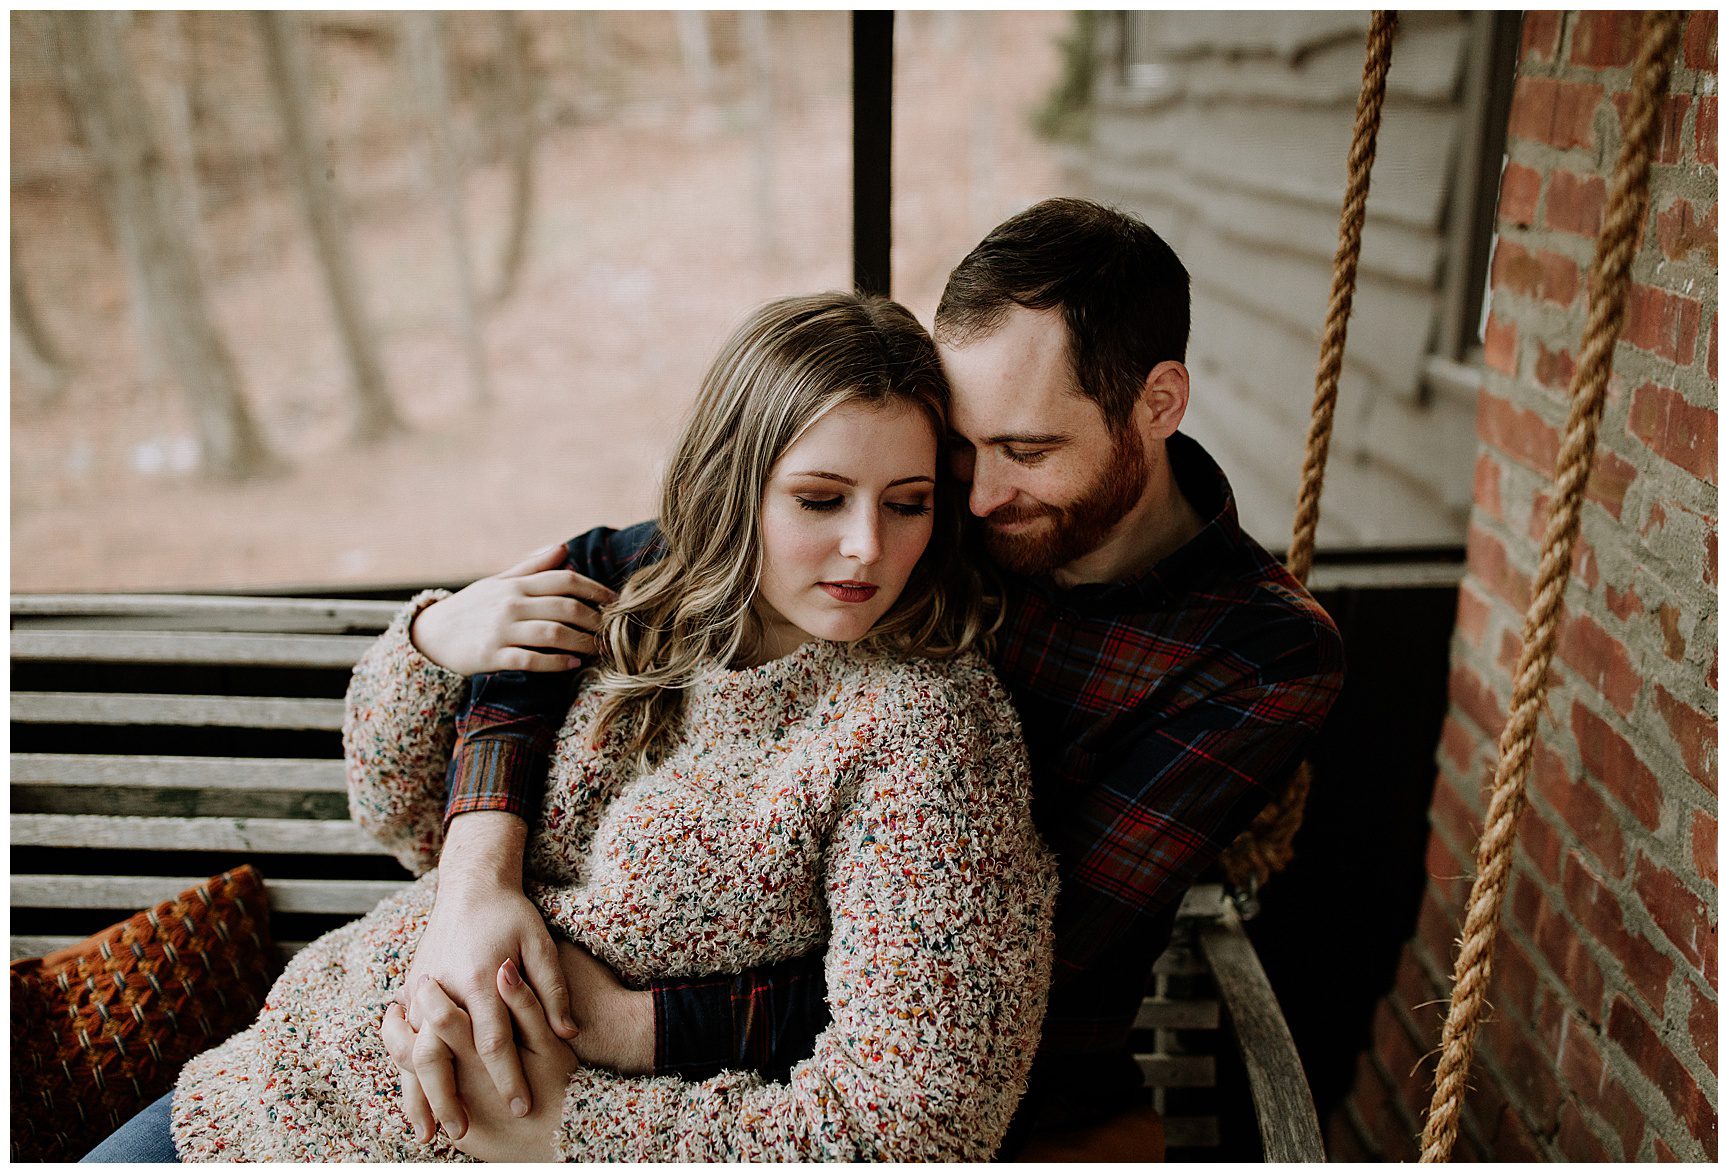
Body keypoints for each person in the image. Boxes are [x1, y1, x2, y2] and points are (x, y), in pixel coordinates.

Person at [389, 198, 1347, 1160]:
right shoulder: (908, 515)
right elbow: (617, 573)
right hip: (636, 1015)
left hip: (940, 1063)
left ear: (1159, 403)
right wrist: (475, 883)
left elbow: (982, 968)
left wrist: (634, 1022)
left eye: (1028, 450)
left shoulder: (1258, 652)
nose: (974, 497)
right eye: (962, 450)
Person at [90, 292, 1056, 1162]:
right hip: (294, 1073)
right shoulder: (627, 601)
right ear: (736, 485)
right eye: (819, 498)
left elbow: (916, 1122)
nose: (866, 547)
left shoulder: (924, 728)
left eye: (909, 504)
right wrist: (433, 641)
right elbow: (394, 816)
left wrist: (565, 1129)